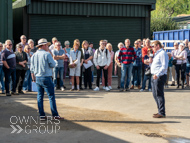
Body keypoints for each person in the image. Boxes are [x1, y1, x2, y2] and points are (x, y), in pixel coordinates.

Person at [30, 38, 64, 120]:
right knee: (51, 96)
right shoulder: (47, 54)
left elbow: (32, 69)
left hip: (38, 77)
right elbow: (53, 64)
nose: (48, 47)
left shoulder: (34, 55)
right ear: (44, 45)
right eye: (47, 45)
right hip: (46, 77)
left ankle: (42, 115)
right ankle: (55, 115)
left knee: (40, 96)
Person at [150, 40, 168, 118]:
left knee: (159, 94)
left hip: (159, 76)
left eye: (153, 46)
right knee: (155, 94)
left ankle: (162, 112)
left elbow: (164, 66)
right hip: (154, 76)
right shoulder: (157, 54)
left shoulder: (162, 53)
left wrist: (157, 74)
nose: (152, 48)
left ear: (158, 46)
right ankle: (159, 111)